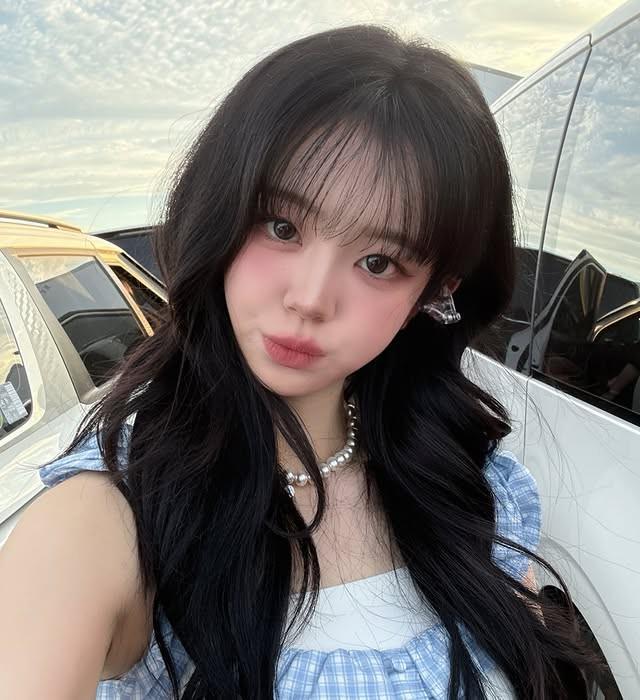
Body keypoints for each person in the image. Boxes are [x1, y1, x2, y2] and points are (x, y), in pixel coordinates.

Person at [0, 25, 602, 699]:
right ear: (219, 212)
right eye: (281, 227)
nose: (310, 299)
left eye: (379, 262)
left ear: (433, 293)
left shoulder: (468, 480)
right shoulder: (111, 515)